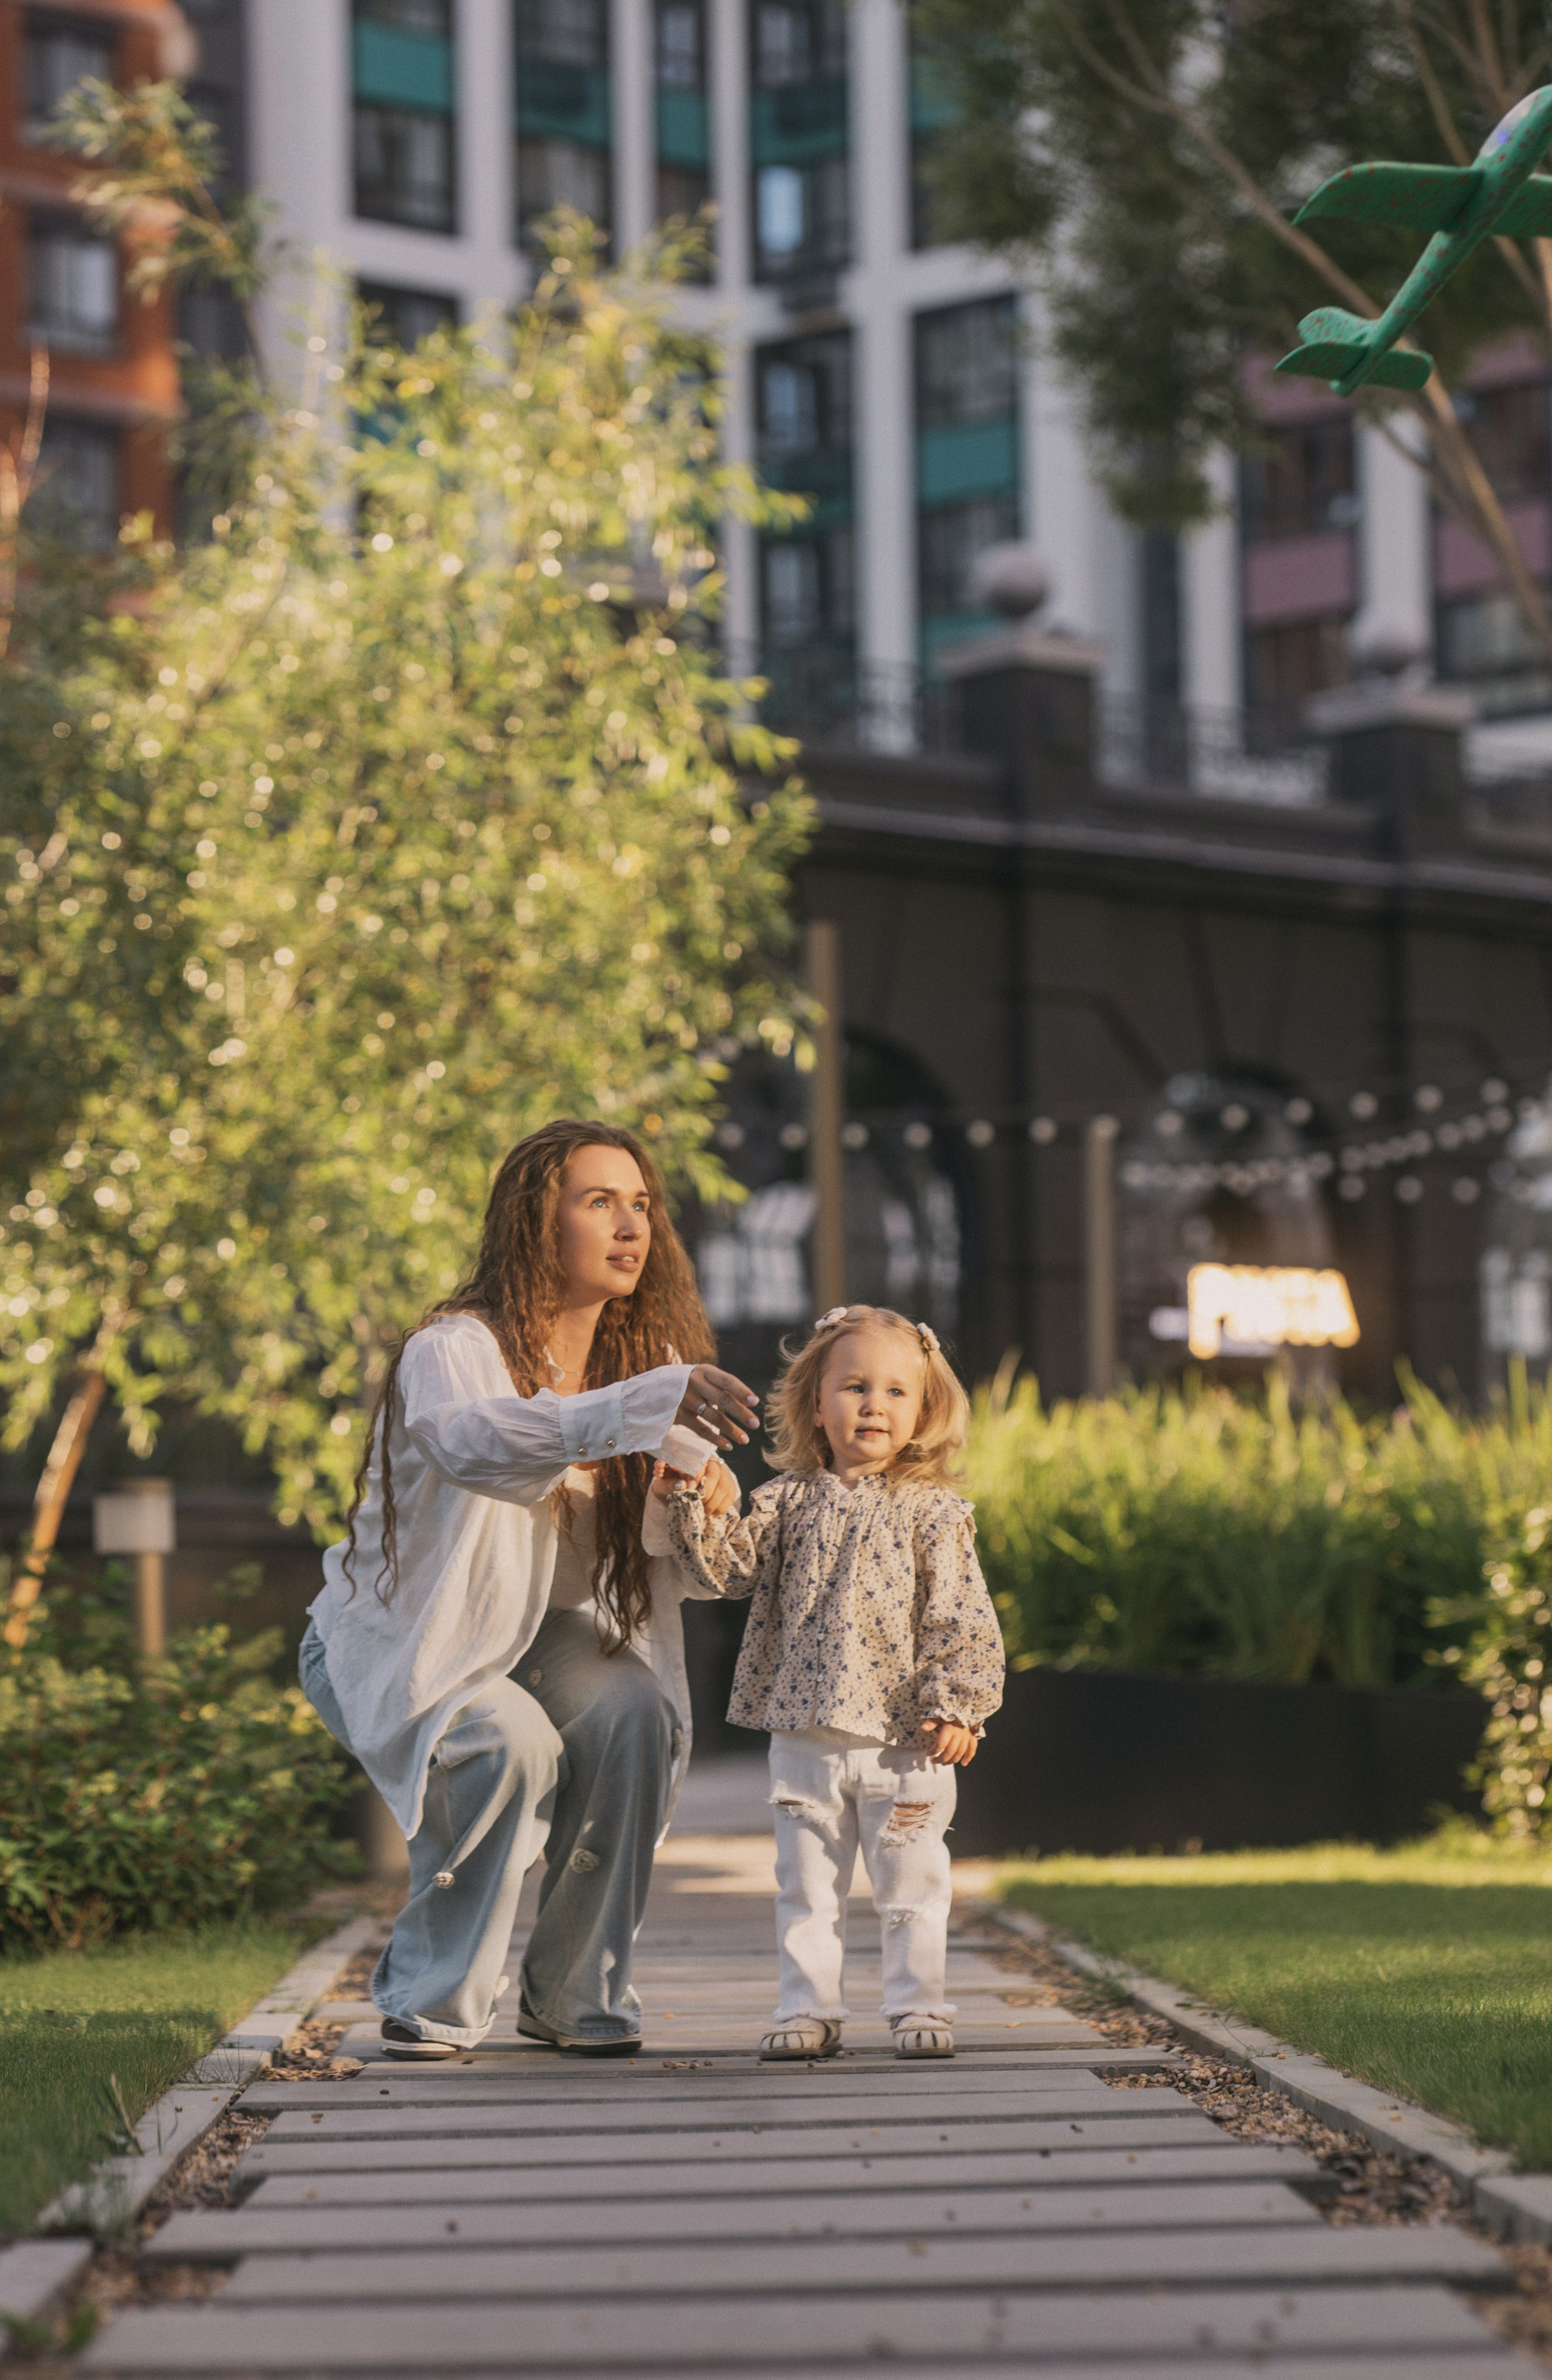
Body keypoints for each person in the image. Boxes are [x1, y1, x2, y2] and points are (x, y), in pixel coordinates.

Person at [298, 1120, 757, 2061]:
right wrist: (637, 1409)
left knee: (635, 1712)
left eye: (641, 1204)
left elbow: (685, 1567)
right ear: (536, 1221)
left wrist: (696, 1493)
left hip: (539, 1634)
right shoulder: (452, 1349)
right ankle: (432, 1997)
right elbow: (477, 1444)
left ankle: (578, 1992)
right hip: (407, 1636)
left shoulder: (636, 1367)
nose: (630, 1225)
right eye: (599, 1201)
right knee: (509, 1744)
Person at [651, 1302, 1004, 2061]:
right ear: (815, 1404)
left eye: (895, 1391)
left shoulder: (932, 1512)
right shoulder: (783, 1501)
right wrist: (692, 1500)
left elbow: (961, 1615)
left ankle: (918, 2004)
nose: (873, 1404)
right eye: (853, 1387)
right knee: (805, 1887)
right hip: (804, 1736)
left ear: (922, 1411)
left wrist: (958, 1706)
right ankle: (806, 2006)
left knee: (912, 1886)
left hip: (905, 1743)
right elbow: (727, 1573)